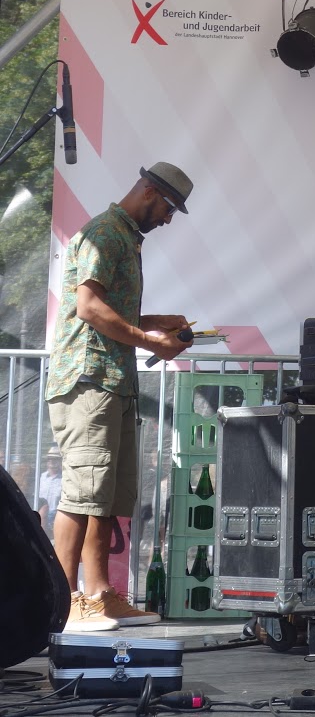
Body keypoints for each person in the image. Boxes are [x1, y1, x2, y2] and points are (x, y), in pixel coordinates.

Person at [47, 163, 195, 630]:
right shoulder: (105, 233)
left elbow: (108, 309)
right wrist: (151, 341)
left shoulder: (124, 237)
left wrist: (153, 321)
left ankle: (100, 595)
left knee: (109, 495)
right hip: (88, 379)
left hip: (112, 381)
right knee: (83, 492)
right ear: (149, 191)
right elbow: (89, 308)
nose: (168, 219)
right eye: (169, 208)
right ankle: (62, 602)